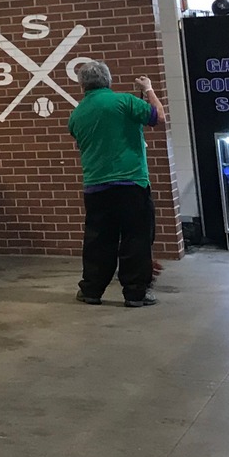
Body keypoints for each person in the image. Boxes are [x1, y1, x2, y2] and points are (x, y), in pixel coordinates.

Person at [68, 61, 164, 308]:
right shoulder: (125, 101)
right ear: (108, 80)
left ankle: (91, 290)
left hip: (95, 186)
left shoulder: (77, 114)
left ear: (82, 85)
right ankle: (135, 293)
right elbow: (158, 117)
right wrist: (149, 89)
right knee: (135, 237)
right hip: (131, 182)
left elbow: (82, 144)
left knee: (98, 239)